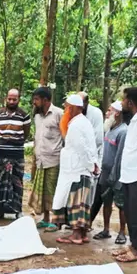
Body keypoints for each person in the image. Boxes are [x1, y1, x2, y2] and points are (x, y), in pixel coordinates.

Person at [51, 94, 99, 244]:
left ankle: (77, 235)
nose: (65, 110)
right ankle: (82, 234)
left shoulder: (77, 125)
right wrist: (93, 165)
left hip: (76, 170)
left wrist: (90, 165)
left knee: (76, 202)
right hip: (79, 168)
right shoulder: (82, 122)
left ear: (73, 108)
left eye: (66, 107)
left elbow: (81, 148)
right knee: (80, 202)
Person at [113, 88, 137, 263]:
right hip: (129, 175)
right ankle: (133, 244)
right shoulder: (133, 121)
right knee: (129, 211)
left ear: (130, 102)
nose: (121, 103)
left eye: (123, 100)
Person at [90, 100, 130, 244]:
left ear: (117, 113)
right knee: (106, 202)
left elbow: (119, 156)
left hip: (117, 174)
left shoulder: (123, 131)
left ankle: (122, 232)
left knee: (121, 204)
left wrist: (114, 175)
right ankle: (106, 230)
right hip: (105, 172)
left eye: (109, 110)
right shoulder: (109, 129)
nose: (107, 113)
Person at [28, 86, 64, 232]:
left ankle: (56, 222)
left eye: (36, 99)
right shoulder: (37, 116)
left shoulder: (58, 114)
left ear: (45, 100)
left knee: (53, 190)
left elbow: (64, 136)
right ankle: (46, 219)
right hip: (40, 159)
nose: (34, 102)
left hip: (54, 159)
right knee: (43, 192)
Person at [0, 89, 31, 220]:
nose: (11, 101)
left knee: (17, 182)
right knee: (1, 181)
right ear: (6, 98)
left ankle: (17, 211)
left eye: (14, 99)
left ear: (19, 99)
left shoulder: (24, 115)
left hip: (17, 154)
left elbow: (26, 133)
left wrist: (16, 142)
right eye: (9, 99)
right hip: (2, 153)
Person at [79, 91, 104, 164]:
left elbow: (98, 139)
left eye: (81, 103)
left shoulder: (96, 113)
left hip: (92, 157)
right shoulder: (75, 112)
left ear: (86, 102)